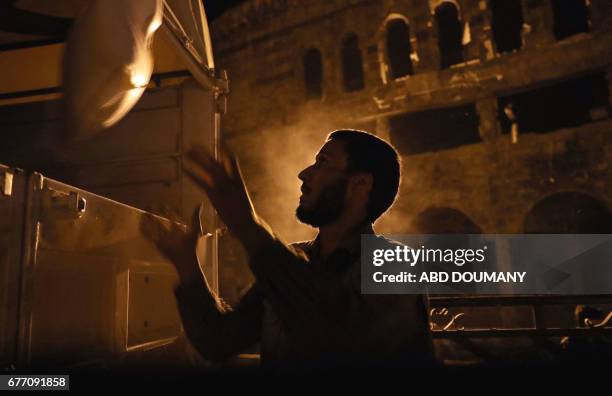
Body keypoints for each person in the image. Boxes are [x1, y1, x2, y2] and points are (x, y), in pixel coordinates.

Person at [146, 129, 435, 369]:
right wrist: (186, 262)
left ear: (360, 184)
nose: (303, 173)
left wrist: (248, 226)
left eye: (322, 163)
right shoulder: (297, 261)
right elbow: (218, 341)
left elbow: (335, 331)